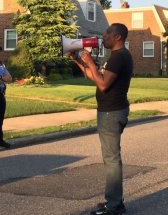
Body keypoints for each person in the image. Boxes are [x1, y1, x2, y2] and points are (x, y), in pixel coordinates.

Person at [71, 23, 133, 215]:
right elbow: (94, 77)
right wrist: (77, 60)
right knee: (111, 158)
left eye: (107, 33)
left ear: (118, 37)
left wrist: (90, 61)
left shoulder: (119, 57)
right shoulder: (117, 56)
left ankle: (114, 206)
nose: (104, 36)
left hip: (111, 113)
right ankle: (114, 202)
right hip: (112, 112)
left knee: (112, 160)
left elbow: (104, 85)